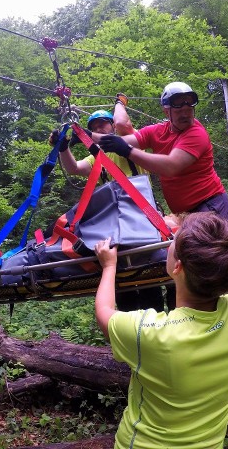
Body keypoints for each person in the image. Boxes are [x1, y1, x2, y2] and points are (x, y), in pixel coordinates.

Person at [93, 212, 228, 448]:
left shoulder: (150, 333)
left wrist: (109, 265)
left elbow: (104, 311)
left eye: (173, 240)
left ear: (177, 266)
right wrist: (227, 247)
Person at [50, 100, 166, 312]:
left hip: (141, 213)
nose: (98, 129)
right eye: (94, 127)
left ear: (112, 126)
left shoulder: (128, 143)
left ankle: (156, 320)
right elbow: (74, 168)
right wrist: (64, 148)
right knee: (121, 275)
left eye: (103, 124)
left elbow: (123, 128)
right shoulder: (97, 157)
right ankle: (128, 326)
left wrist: (90, 133)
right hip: (113, 219)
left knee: (147, 270)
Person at [97, 82, 228, 220]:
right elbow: (118, 141)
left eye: (189, 110)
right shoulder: (158, 131)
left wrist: (127, 151)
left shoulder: (196, 133)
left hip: (209, 205)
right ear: (167, 112)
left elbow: (171, 166)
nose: (185, 115)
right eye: (179, 111)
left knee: (190, 241)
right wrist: (84, 135)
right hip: (185, 213)